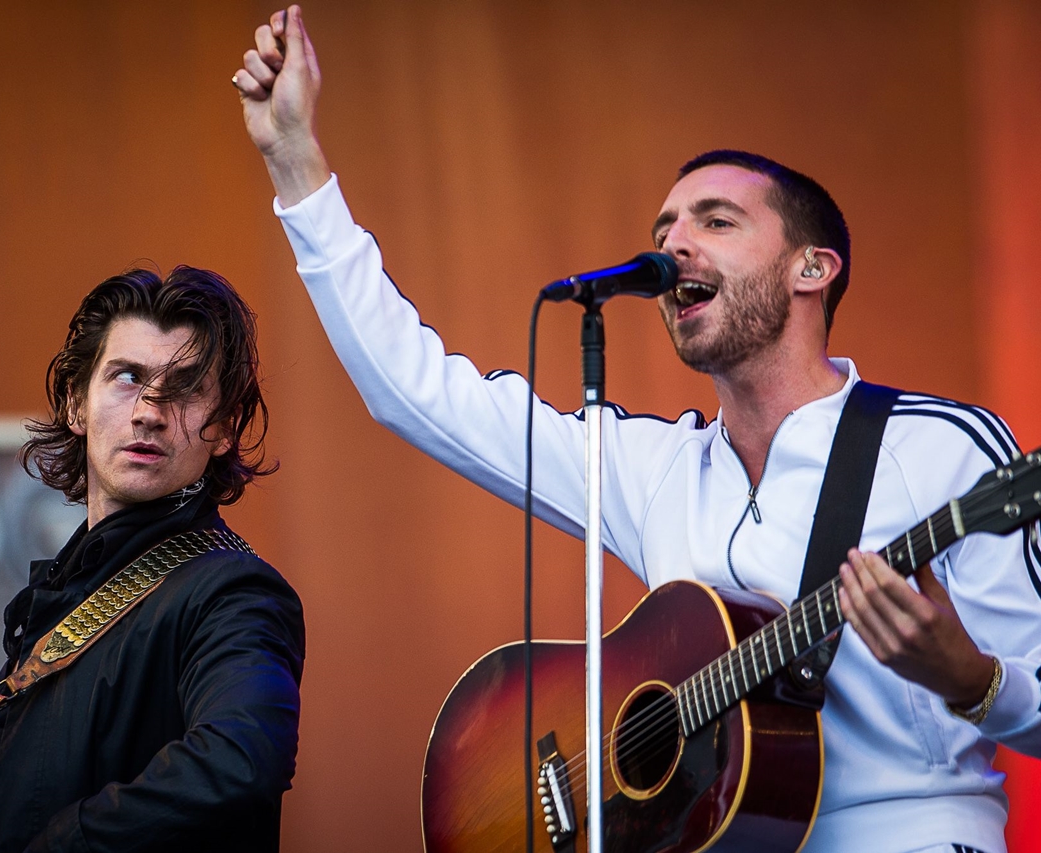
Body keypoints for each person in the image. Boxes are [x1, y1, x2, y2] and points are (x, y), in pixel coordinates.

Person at [233, 7, 1041, 853]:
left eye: (715, 222)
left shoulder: (942, 447)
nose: (675, 247)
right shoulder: (656, 467)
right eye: (663, 234)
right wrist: (294, 160)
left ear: (813, 268)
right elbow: (415, 389)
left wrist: (975, 680)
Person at [0, 265, 305, 853]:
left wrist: (68, 841)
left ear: (225, 429)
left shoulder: (235, 593)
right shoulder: (61, 596)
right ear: (78, 407)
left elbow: (243, 756)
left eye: (184, 387)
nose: (150, 411)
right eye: (127, 377)